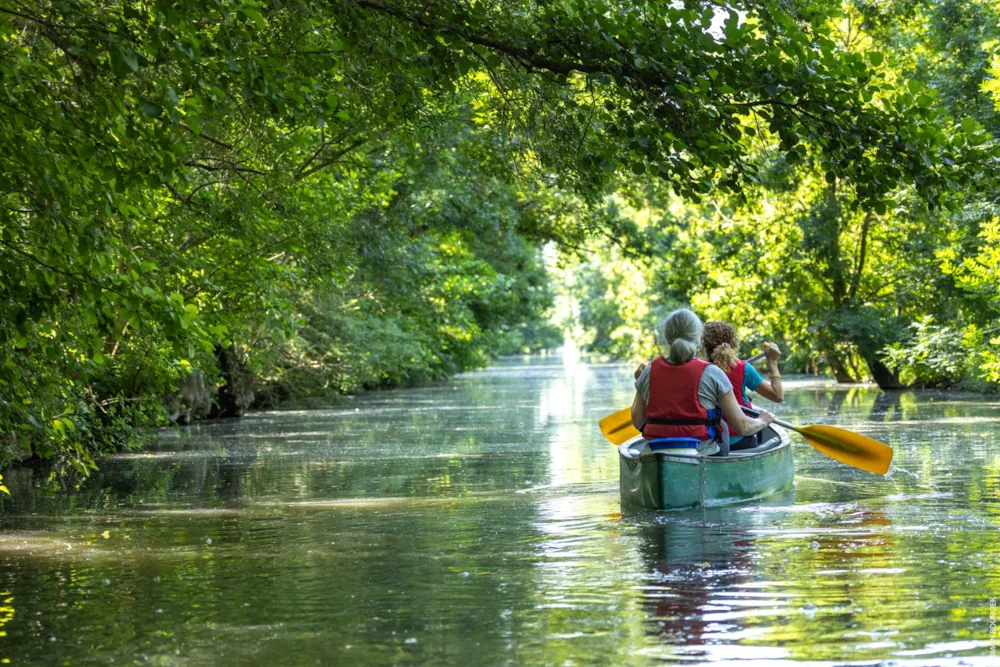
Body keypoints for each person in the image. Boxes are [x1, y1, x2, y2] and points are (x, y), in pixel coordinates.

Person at [631, 309, 773, 456]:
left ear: (667, 338)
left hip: (655, 451)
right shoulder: (713, 373)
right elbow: (742, 426)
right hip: (701, 452)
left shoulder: (648, 372)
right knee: (722, 425)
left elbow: (638, 421)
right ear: (698, 339)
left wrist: (641, 383)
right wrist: (763, 420)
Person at [701, 321, 783, 449]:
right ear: (733, 343)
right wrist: (772, 362)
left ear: (703, 345)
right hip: (741, 439)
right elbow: (777, 396)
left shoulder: (697, 369)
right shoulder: (743, 368)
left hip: (707, 440)